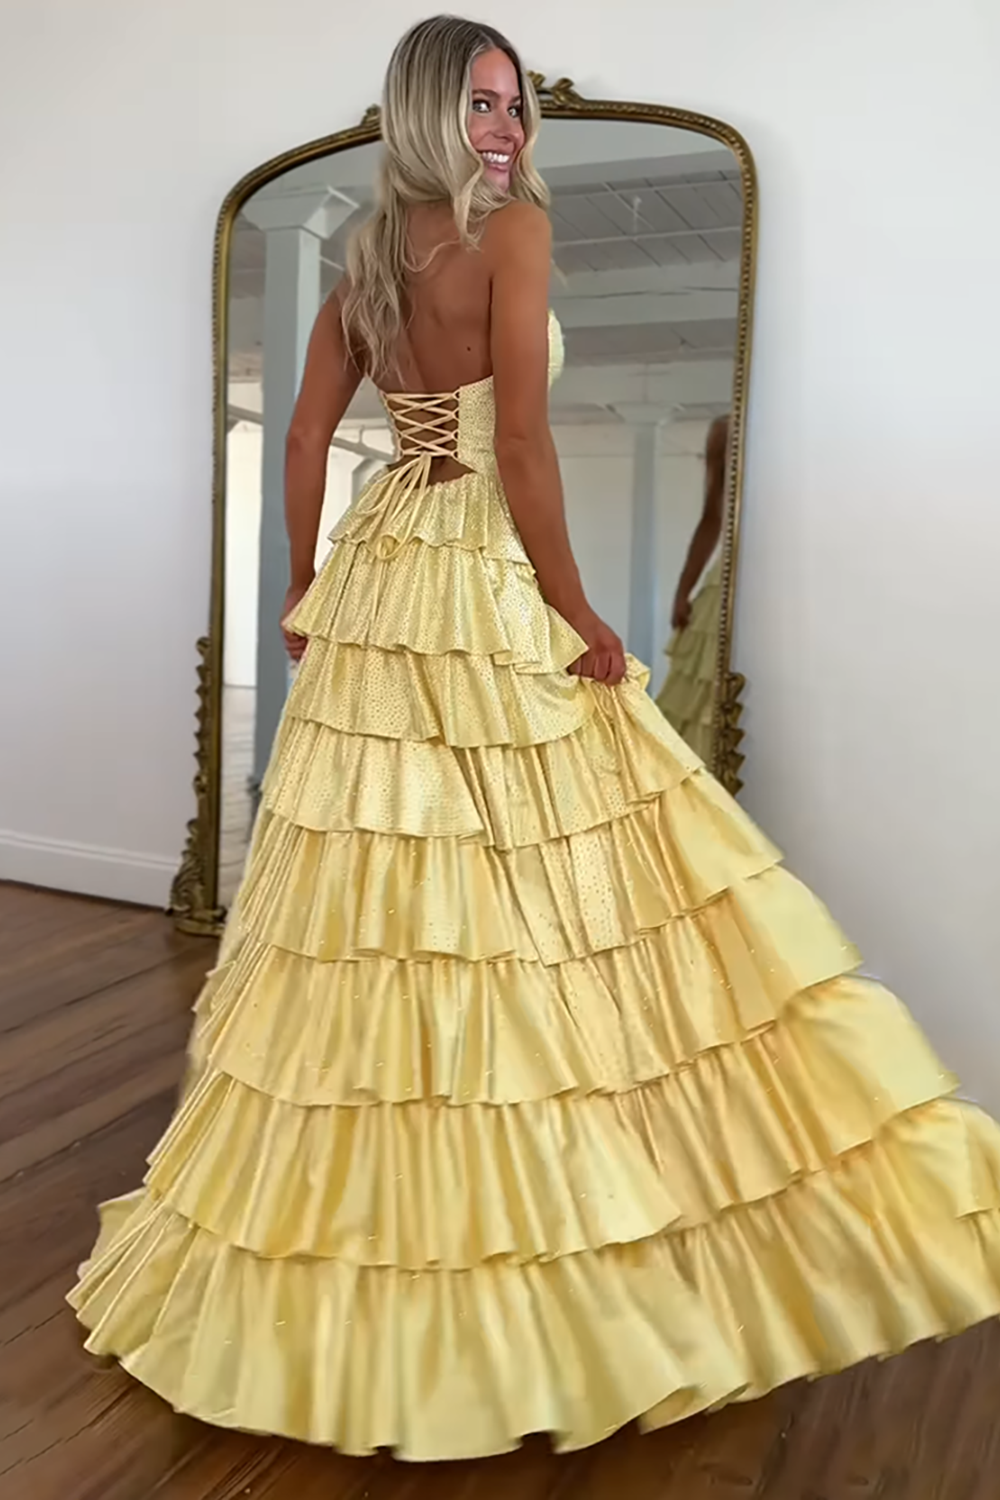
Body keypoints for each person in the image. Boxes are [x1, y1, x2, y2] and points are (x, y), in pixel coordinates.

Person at [70, 14, 1000, 1464]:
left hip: (384, 567)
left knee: (383, 879)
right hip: (477, 567)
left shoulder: (365, 263)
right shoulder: (512, 236)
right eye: (483, 106)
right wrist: (577, 609)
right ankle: (540, 1197)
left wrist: (307, 583)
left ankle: (388, 1203)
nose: (507, 131)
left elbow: (307, 440)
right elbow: (516, 444)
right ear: (428, 113)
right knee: (534, 861)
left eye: (516, 108)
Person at [656, 413, 727, 759]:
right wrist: (682, 591)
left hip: (784, 582)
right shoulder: (725, 429)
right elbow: (712, 518)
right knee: (701, 691)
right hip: (723, 582)